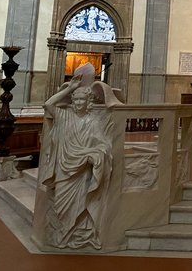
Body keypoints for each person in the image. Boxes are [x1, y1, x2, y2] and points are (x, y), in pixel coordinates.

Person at [41, 66, 114, 249]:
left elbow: (103, 146)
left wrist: (94, 156)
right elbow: (48, 104)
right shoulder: (64, 115)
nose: (79, 102)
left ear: (88, 101)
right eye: (76, 99)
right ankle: (62, 235)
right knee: (61, 206)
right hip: (64, 170)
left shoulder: (93, 122)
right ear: (72, 101)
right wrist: (70, 89)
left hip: (82, 173)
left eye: (83, 99)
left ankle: (76, 235)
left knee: (81, 205)